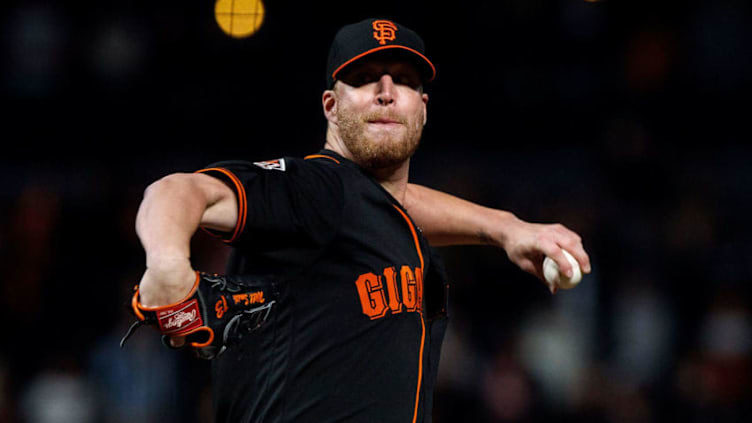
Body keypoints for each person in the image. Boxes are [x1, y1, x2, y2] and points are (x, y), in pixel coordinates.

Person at [133, 18, 591, 423]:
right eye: (365, 78)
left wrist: (507, 228)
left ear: (424, 107)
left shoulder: (374, 212)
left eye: (404, 81)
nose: (386, 91)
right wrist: (168, 262)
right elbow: (177, 190)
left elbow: (394, 203)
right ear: (331, 106)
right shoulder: (314, 187)